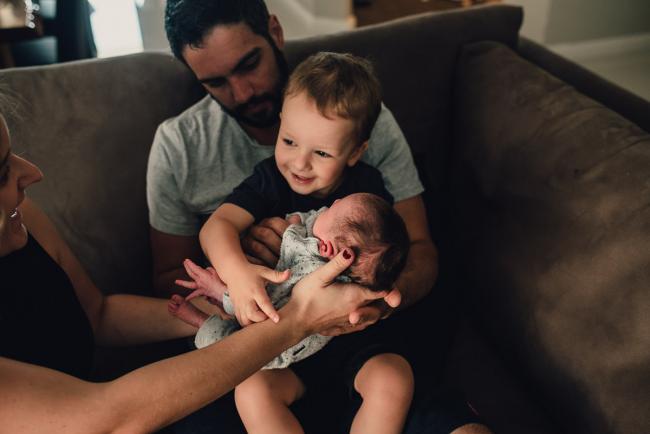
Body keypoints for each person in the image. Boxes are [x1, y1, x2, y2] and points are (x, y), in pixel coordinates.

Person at [150, 1, 493, 433]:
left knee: (423, 399)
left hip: (360, 345)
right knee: (249, 392)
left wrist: (382, 301)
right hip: (268, 353)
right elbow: (176, 271)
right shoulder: (218, 159)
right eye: (215, 82)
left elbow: (416, 249)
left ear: (274, 32)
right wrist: (238, 274)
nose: (242, 92)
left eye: (249, 64)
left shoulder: (355, 118)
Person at [0, 107, 393, 432]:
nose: (32, 172)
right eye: (2, 171)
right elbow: (106, 419)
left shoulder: (22, 217)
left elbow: (98, 315)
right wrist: (297, 318)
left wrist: (230, 307)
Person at [173, 192, 412, 433]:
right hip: (287, 360)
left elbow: (263, 308)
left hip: (351, 351)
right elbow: (263, 318)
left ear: (328, 249)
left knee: (393, 377)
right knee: (252, 390)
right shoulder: (300, 228)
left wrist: (223, 293)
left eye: (331, 210)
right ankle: (203, 322)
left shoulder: (306, 259)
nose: (332, 204)